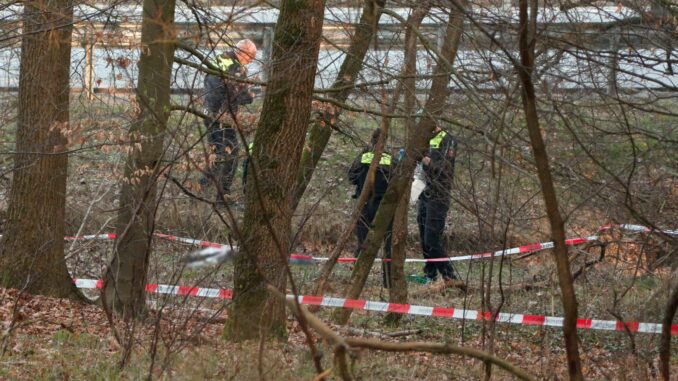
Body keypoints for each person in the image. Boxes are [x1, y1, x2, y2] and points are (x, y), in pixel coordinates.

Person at [201, 39, 257, 204]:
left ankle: (201, 185)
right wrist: (250, 96)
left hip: (208, 113)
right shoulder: (235, 68)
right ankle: (224, 197)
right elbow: (241, 96)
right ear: (242, 52)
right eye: (251, 57)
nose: (251, 61)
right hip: (222, 117)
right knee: (232, 154)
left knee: (217, 152)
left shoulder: (220, 59)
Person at [417, 124, 463, 288]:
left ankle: (449, 276)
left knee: (431, 239)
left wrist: (425, 160)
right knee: (423, 238)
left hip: (439, 194)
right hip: (423, 192)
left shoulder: (447, 139)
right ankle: (430, 274)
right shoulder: (424, 138)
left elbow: (444, 169)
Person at [348, 129, 394, 288]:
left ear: (372, 139)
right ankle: (388, 283)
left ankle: (356, 280)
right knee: (388, 245)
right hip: (385, 208)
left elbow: (351, 177)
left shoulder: (363, 156)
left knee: (362, 243)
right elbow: (397, 182)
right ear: (385, 141)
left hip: (365, 204)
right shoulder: (390, 158)